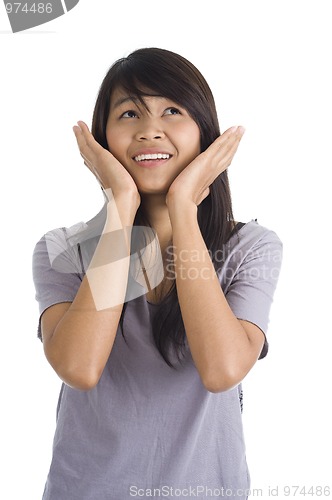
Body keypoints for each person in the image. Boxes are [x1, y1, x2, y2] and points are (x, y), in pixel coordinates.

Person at [32, 47, 282, 500]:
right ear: (104, 137)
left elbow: (223, 369)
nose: (150, 130)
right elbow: (78, 367)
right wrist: (121, 207)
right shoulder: (63, 249)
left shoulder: (251, 247)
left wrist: (184, 209)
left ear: (204, 132)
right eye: (129, 113)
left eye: (172, 110)